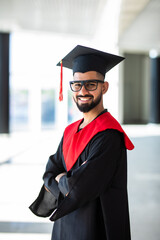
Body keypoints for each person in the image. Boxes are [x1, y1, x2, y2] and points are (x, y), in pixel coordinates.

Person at [29, 45, 134, 240]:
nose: (83, 91)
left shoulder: (108, 135)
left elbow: (77, 189)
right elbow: (49, 172)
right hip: (64, 226)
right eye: (77, 85)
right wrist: (65, 179)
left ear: (104, 87)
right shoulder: (70, 130)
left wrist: (62, 179)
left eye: (91, 84)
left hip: (95, 228)